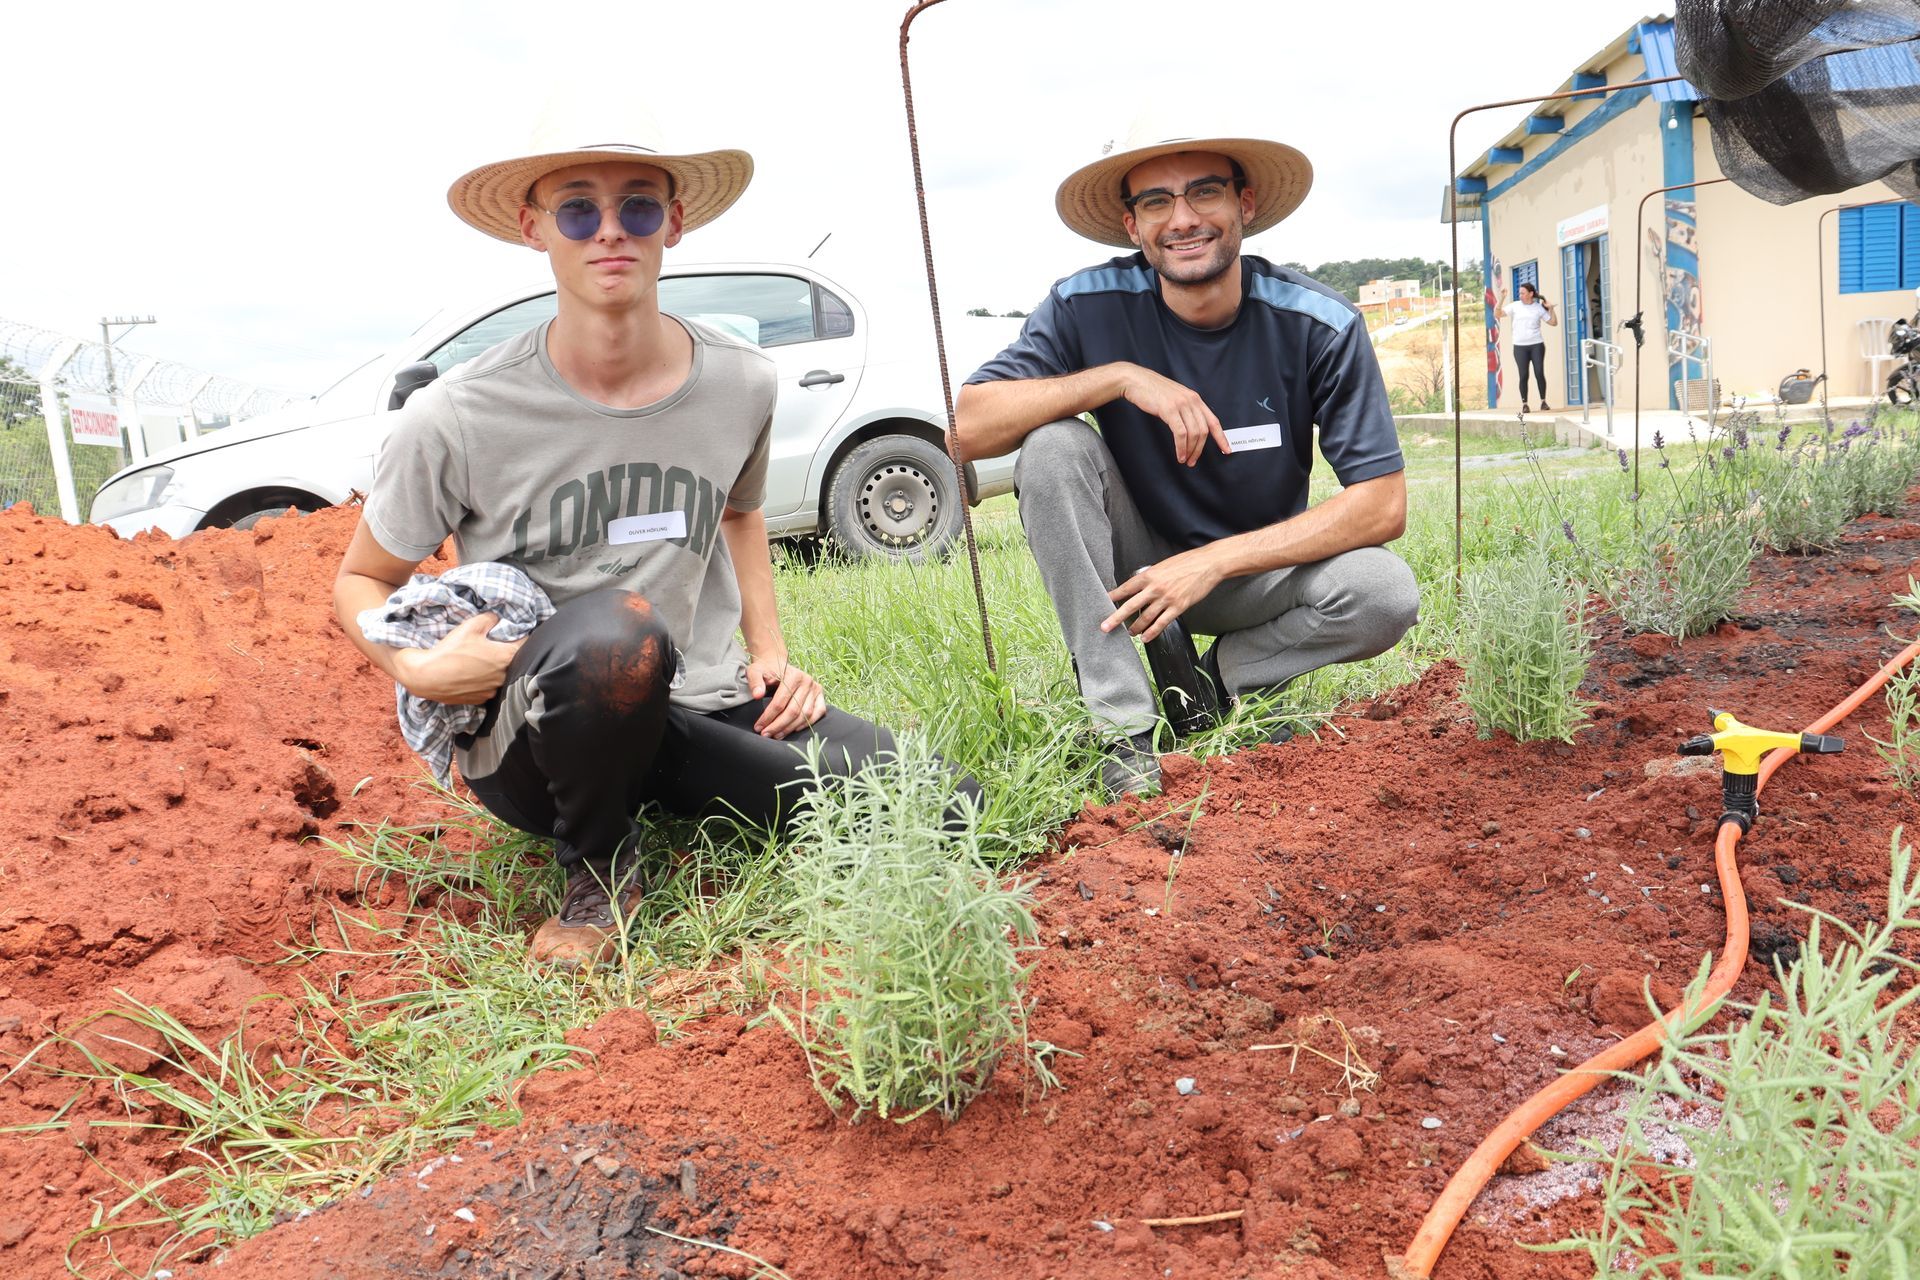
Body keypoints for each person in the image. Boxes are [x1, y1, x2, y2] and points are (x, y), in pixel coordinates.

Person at [334, 96, 976, 967]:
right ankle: (599, 877)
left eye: (637, 205)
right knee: (615, 630)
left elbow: (742, 512)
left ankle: (682, 779)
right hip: (536, 734)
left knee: (939, 801)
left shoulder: (740, 381)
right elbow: (360, 579)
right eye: (577, 209)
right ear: (535, 229)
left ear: (672, 222)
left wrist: (771, 649)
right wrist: (415, 666)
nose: (610, 231)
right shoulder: (455, 415)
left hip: (698, 700)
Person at [954, 116, 1420, 796]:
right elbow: (966, 428)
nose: (1184, 219)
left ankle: (1209, 680)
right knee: (1052, 447)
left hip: (1255, 572)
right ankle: (1124, 731)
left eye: (1205, 193)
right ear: (1132, 225)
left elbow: (1383, 502)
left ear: (1245, 205)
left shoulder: (1319, 323)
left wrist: (1211, 562)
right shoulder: (1086, 304)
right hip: (1135, 565)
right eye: (1157, 202)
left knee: (1385, 593)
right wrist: (1117, 377)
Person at [1503, 282, 1556, 413]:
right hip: (1520, 347)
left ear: (1531, 294)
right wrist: (1502, 298)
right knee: (1523, 375)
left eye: (1522, 293)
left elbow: (1553, 322)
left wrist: (1551, 309)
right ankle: (1525, 404)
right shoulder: (1515, 306)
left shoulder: (1538, 308)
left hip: (1536, 345)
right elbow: (1497, 314)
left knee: (1539, 372)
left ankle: (1543, 402)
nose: (1520, 295)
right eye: (1520, 293)